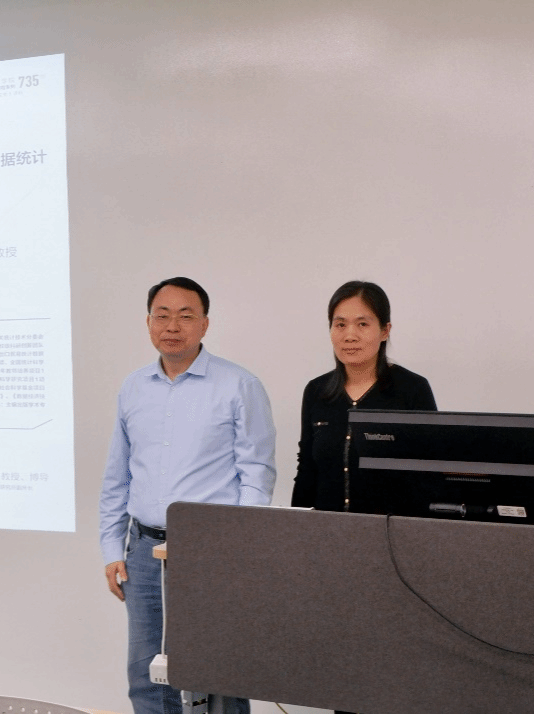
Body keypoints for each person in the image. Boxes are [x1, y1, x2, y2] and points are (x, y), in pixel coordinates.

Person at [99, 277, 276, 714]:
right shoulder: (133, 387)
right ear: (148, 322)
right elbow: (118, 474)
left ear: (204, 324)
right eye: (162, 316)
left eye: (185, 316)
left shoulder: (239, 385)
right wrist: (111, 548)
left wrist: (238, 548)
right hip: (143, 552)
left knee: (218, 675)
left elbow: (257, 474)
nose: (172, 326)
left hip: (210, 550)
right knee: (147, 678)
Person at [292, 280, 436, 511]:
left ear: (384, 331)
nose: (350, 336)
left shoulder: (412, 389)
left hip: (390, 529)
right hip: (325, 527)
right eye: (340, 325)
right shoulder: (316, 390)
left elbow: (428, 473)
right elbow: (307, 468)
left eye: (362, 324)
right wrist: (295, 524)